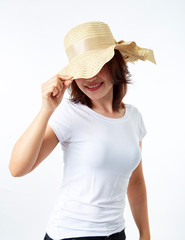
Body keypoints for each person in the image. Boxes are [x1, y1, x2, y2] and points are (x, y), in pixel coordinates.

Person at [9, 21, 156, 240]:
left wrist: (145, 233)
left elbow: (135, 181)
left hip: (116, 233)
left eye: (97, 66)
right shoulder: (69, 114)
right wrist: (46, 110)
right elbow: (17, 168)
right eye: (81, 70)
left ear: (115, 64)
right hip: (71, 234)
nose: (90, 78)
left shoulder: (133, 117)